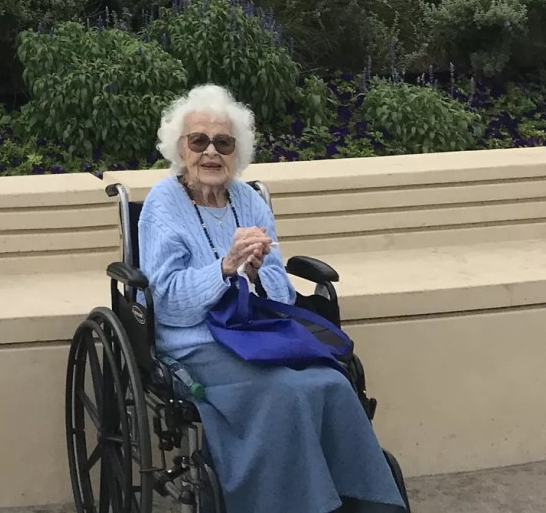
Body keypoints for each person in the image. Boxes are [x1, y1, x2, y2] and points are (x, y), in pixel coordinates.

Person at [137, 84, 406, 513]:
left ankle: (361, 503)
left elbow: (281, 293)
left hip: (260, 334)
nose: (211, 152)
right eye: (199, 141)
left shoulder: (249, 200)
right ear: (180, 149)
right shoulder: (162, 205)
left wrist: (256, 271)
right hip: (197, 341)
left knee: (332, 383)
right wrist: (225, 267)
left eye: (223, 143)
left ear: (237, 151)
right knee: (285, 392)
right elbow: (167, 303)